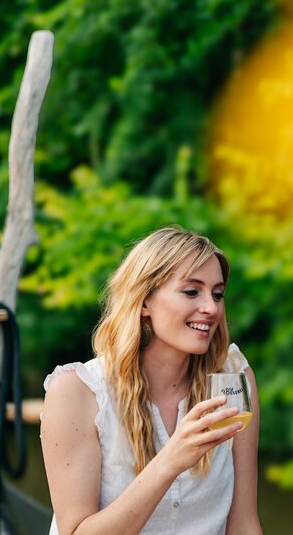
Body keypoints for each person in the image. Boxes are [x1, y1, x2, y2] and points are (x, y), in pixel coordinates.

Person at [41, 226, 262, 534]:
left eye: (217, 294)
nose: (211, 308)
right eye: (191, 291)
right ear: (145, 300)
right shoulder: (77, 392)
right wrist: (169, 461)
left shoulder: (233, 378)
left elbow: (244, 524)